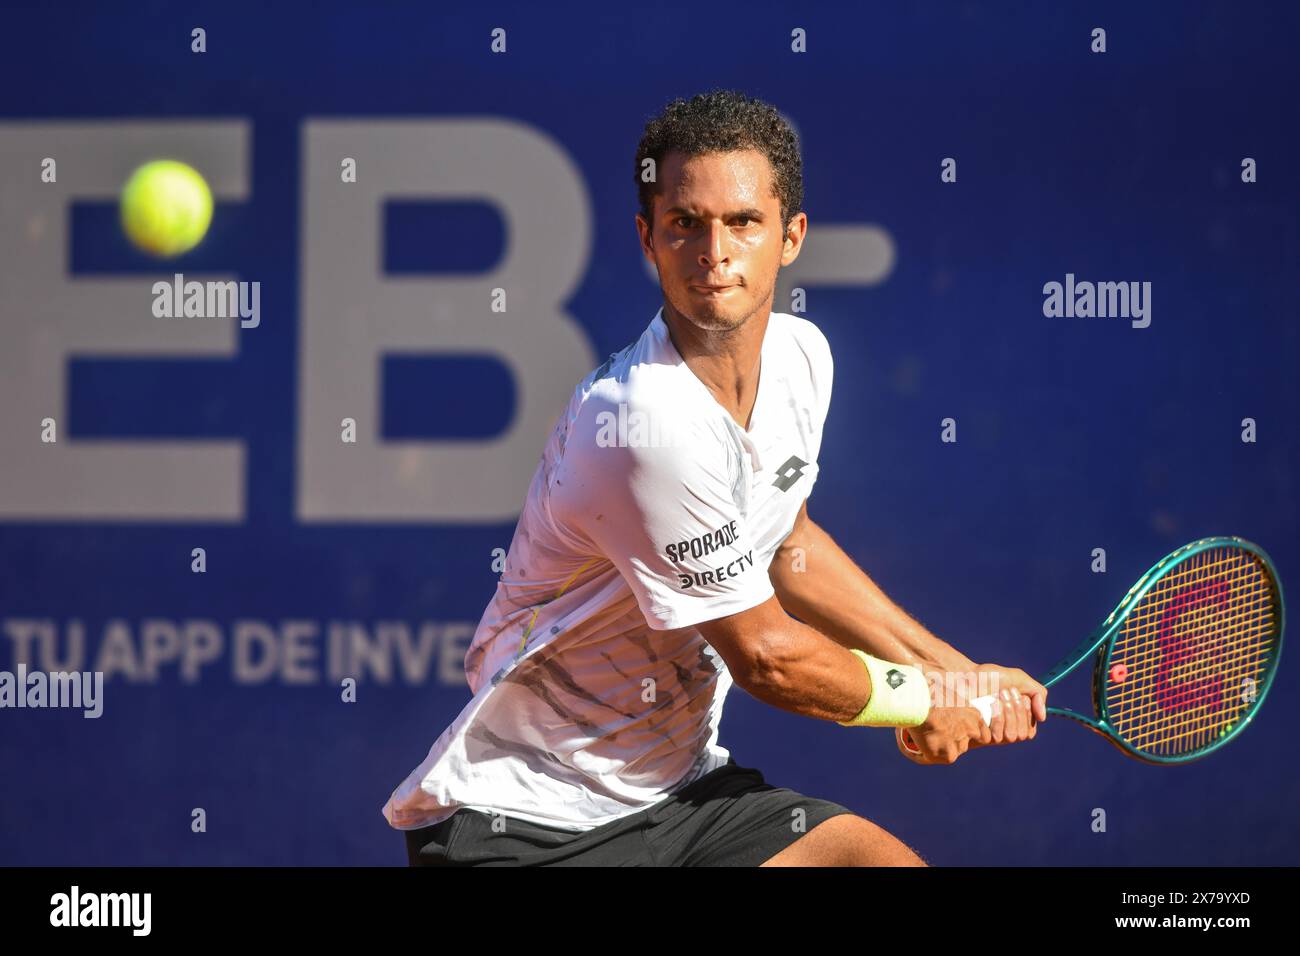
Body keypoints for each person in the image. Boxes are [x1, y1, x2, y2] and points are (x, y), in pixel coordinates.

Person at [384, 89, 1047, 867]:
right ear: (648, 238)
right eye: (685, 224)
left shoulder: (803, 359)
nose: (714, 251)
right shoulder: (641, 424)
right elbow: (765, 655)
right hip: (524, 825)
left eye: (743, 222)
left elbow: (784, 541)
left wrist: (951, 671)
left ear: (791, 236)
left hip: (680, 797)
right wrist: (923, 699)